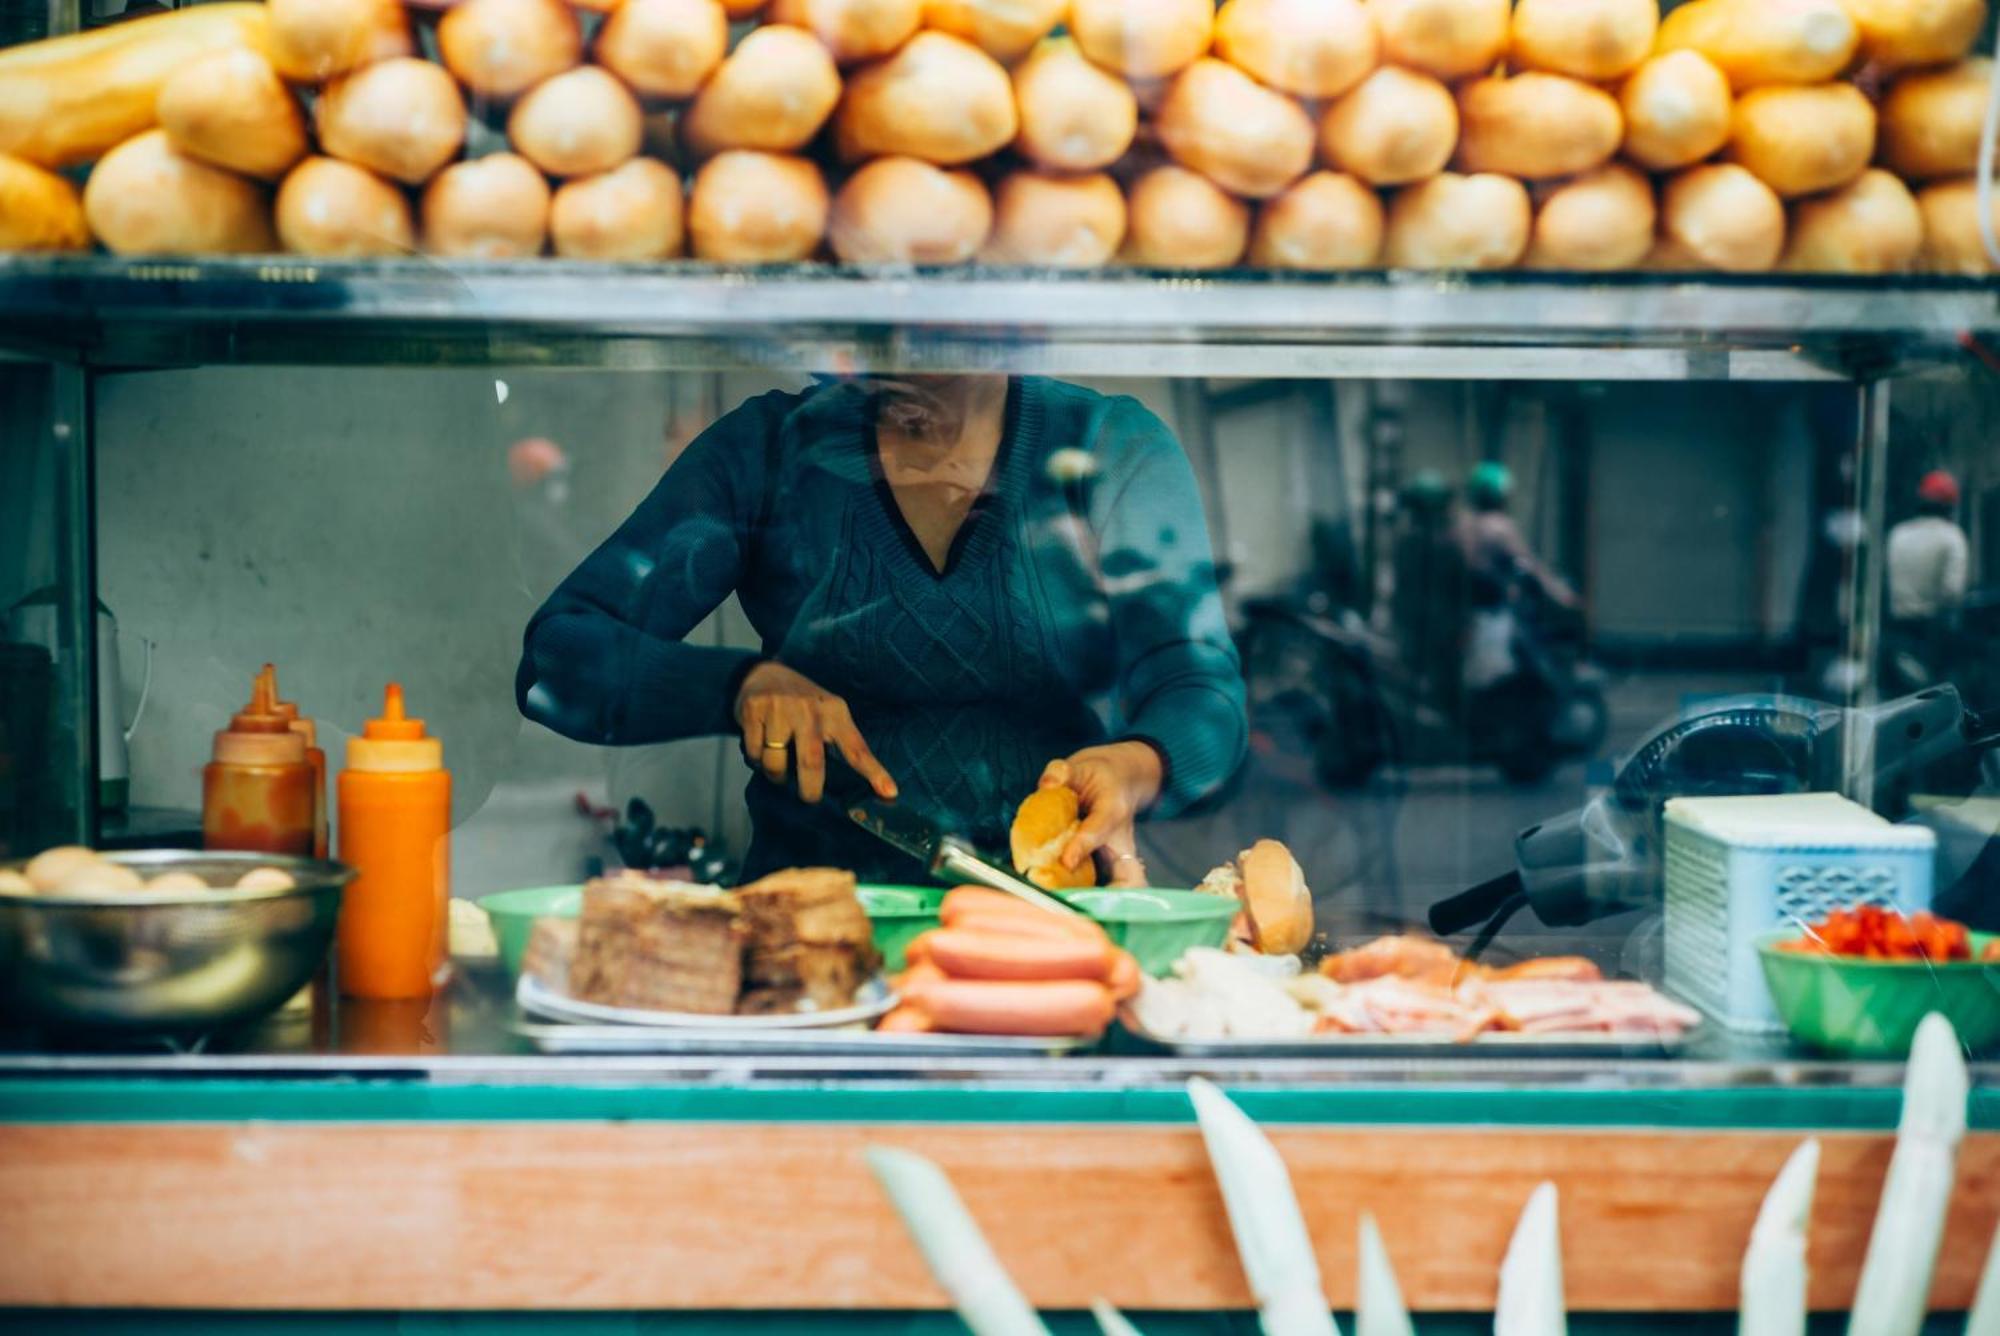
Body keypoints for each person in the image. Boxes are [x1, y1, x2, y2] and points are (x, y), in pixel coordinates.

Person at [516, 374, 1247, 886]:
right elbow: (558, 663)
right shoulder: (767, 453)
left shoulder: (1106, 445)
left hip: (1050, 929)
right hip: (814, 933)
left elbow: (1199, 688)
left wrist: (1138, 764)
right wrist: (738, 687)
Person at [1885, 469, 1972, 690]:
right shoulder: (1952, 537)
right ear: (1950, 506)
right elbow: (1953, 591)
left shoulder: (1898, 534)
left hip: (1896, 631)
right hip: (1933, 636)